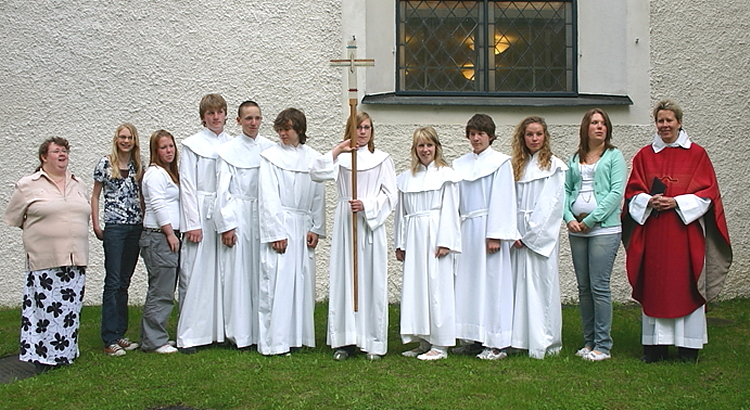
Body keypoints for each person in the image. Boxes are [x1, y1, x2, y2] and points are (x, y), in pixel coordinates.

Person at [623, 99, 732, 363]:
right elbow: (632, 193)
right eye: (660, 120)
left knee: (685, 286)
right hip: (655, 234)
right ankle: (655, 348)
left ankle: (688, 348)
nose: (664, 125)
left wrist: (677, 202)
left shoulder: (697, 155)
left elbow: (707, 194)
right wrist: (649, 200)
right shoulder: (644, 156)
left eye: (669, 120)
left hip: (685, 235)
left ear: (679, 122)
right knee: (655, 285)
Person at [309, 111, 397, 361]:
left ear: (372, 130)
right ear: (351, 129)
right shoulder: (342, 161)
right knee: (345, 278)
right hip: (346, 223)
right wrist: (339, 150)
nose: (362, 132)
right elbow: (315, 171)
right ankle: (345, 340)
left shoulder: (382, 159)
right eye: (358, 127)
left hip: (369, 225)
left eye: (367, 127)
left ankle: (371, 341)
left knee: (370, 278)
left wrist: (368, 206)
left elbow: (390, 195)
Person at [4, 137, 90, 372]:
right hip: (45, 260)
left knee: (69, 310)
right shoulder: (28, 185)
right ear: (44, 157)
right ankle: (44, 358)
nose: (62, 154)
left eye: (65, 151)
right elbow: (15, 219)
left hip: (75, 259)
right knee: (46, 311)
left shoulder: (77, 183)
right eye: (56, 151)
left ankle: (66, 354)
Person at [257, 108, 325, 355]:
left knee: (301, 282)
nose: (283, 134)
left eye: (287, 129)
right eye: (280, 129)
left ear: (299, 130)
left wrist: (315, 228)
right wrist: (276, 232)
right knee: (278, 282)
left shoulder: (312, 158)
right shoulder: (270, 157)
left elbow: (318, 194)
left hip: (302, 224)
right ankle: (276, 341)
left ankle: (298, 337)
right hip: (282, 223)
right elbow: (268, 197)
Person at [452, 114, 518, 360]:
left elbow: (503, 199)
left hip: (489, 230)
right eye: (472, 134)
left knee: (492, 285)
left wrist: (495, 235)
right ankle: (474, 338)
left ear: (490, 135)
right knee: (469, 284)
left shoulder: (501, 163)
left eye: (481, 133)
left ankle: (496, 341)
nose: (476, 138)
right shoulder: (459, 164)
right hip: (467, 228)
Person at [564, 109, 626, 362]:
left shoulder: (614, 156)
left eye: (603, 124)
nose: (599, 127)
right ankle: (588, 342)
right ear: (586, 128)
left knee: (599, 287)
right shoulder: (574, 158)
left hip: (604, 229)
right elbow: (566, 191)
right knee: (584, 288)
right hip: (577, 231)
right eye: (594, 123)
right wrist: (569, 218)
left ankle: (603, 345)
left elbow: (615, 193)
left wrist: (590, 219)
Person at [395, 127, 461, 361]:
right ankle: (423, 338)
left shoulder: (447, 175)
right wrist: (399, 243)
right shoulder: (405, 178)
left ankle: (441, 344)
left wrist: (446, 241)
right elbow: (401, 214)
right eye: (421, 146)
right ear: (415, 149)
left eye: (429, 145)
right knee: (417, 287)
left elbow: (451, 210)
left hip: (435, 234)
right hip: (414, 235)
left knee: (437, 286)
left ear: (436, 148)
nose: (425, 150)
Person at [214, 101, 275, 349]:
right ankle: (239, 334)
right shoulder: (229, 150)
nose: (253, 123)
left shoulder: (270, 148)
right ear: (238, 121)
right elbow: (222, 191)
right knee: (238, 273)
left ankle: (262, 332)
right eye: (248, 118)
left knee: (262, 272)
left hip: (261, 213)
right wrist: (227, 224)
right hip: (239, 214)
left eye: (257, 118)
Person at [176, 93, 233, 352]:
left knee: (224, 271)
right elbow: (187, 186)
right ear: (203, 118)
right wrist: (192, 223)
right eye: (210, 113)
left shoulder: (233, 145)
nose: (216, 117)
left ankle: (221, 331)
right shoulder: (192, 146)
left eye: (219, 112)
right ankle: (191, 334)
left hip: (223, 212)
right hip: (200, 211)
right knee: (198, 272)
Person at [509, 116, 567, 359]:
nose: (534, 139)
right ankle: (517, 338)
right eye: (529, 134)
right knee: (515, 286)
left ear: (545, 137)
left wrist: (531, 234)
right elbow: (507, 199)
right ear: (522, 138)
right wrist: (512, 231)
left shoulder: (554, 166)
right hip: (516, 233)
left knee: (541, 286)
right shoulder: (515, 166)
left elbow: (552, 204)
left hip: (539, 234)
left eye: (538, 134)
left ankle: (544, 340)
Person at [91, 123, 144, 357]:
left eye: (130, 137)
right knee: (112, 281)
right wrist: (95, 223)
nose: (126, 141)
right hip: (114, 227)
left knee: (124, 281)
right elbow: (95, 195)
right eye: (123, 137)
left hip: (135, 227)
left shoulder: (137, 165)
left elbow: (141, 196)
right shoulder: (105, 163)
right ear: (116, 139)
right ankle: (109, 337)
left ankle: (120, 334)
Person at [139, 130, 181, 354]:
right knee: (160, 290)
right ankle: (154, 341)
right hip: (159, 236)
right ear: (155, 151)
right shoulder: (155, 173)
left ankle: (153, 336)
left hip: (165, 236)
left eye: (171, 146)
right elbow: (157, 204)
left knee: (164, 288)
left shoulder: (168, 173)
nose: (169, 151)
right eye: (163, 147)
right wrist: (169, 233)